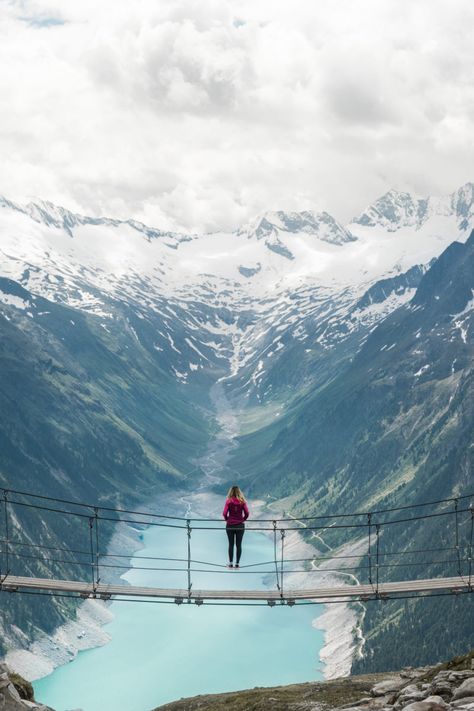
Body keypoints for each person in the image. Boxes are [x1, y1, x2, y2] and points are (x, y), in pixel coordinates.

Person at [222, 485, 249, 568]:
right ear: (239, 492)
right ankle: (237, 564)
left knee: (231, 544)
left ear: (230, 492)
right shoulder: (242, 501)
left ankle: (230, 563)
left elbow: (224, 513)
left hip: (230, 525)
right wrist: (242, 519)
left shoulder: (228, 501)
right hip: (240, 525)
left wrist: (228, 520)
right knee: (238, 545)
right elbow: (247, 513)